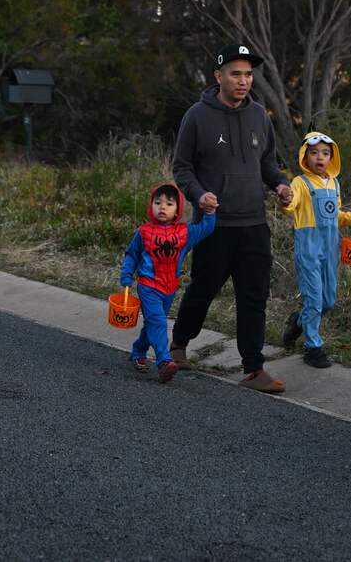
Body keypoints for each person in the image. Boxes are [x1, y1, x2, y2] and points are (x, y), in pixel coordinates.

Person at [170, 44, 293, 394]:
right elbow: (182, 167)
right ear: (219, 76)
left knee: (254, 296)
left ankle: (253, 368)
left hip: (254, 224)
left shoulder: (258, 116)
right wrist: (199, 195)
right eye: (236, 74)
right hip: (214, 225)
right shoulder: (197, 115)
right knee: (204, 288)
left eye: (248, 74)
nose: (243, 81)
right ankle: (178, 345)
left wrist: (280, 184)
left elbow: (266, 162)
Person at [280, 130, 351, 368]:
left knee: (328, 300)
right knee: (314, 299)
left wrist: (350, 218)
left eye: (325, 153)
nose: (319, 158)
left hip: (330, 245)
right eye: (314, 153)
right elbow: (292, 204)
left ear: (332, 157)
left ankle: (298, 322)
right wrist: (286, 200)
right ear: (305, 156)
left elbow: (334, 214)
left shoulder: (333, 183)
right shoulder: (300, 183)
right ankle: (313, 347)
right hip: (309, 247)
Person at [119, 183, 216, 383]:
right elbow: (132, 255)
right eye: (158, 202)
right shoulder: (144, 232)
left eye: (169, 204)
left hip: (169, 286)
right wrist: (126, 276)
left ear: (177, 209)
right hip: (148, 285)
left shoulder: (184, 233)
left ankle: (138, 350)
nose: (162, 207)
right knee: (158, 321)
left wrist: (209, 211)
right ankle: (164, 361)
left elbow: (206, 228)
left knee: (153, 322)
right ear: (151, 206)